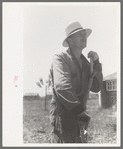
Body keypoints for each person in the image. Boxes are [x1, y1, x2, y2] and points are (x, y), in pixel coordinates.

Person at [49, 22, 103, 143]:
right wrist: (80, 112)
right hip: (63, 117)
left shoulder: (86, 64)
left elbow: (96, 87)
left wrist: (97, 63)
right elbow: (62, 87)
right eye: (80, 35)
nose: (84, 37)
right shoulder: (60, 58)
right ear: (70, 40)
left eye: (85, 34)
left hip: (81, 118)